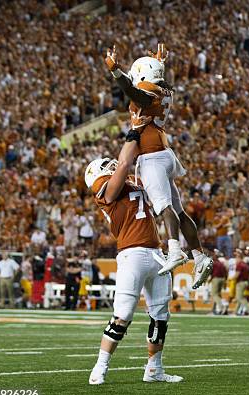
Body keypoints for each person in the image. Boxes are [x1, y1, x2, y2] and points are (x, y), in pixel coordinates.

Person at [104, 44, 213, 279]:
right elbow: (149, 84)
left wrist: (116, 72)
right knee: (179, 211)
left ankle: (175, 250)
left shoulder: (146, 88)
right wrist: (160, 63)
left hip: (152, 155)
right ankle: (200, 256)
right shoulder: (164, 89)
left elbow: (136, 93)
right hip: (163, 151)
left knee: (164, 207)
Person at [86, 141, 183, 385]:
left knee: (161, 316)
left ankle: (154, 369)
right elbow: (125, 163)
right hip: (132, 254)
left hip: (157, 253)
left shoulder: (131, 181)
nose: (112, 165)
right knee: (123, 314)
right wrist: (134, 137)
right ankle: (100, 365)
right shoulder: (104, 188)